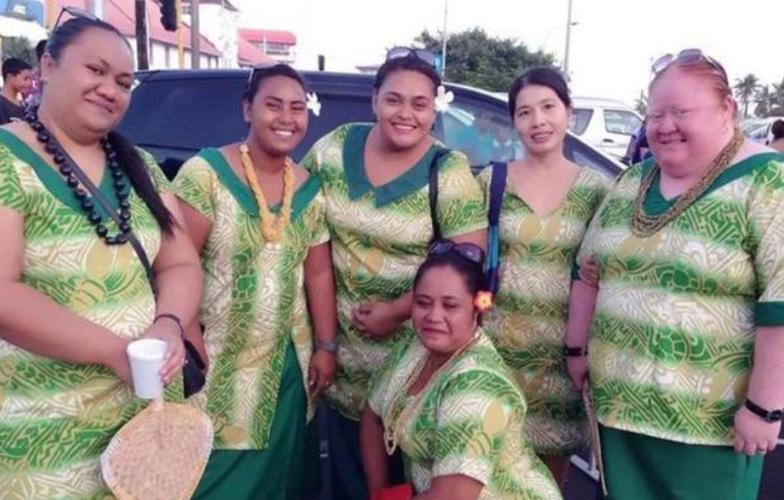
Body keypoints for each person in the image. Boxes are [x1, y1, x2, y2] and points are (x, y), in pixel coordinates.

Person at [567, 49, 784, 500]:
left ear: (727, 109)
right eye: (655, 115)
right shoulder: (632, 181)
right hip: (619, 414)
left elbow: (779, 306)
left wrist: (765, 408)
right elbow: (588, 272)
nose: (665, 126)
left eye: (681, 112)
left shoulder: (766, 184)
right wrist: (577, 348)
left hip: (711, 429)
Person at [0, 16, 202, 497]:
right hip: (45, 431)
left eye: (124, 82)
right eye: (95, 70)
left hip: (144, 424)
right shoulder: (8, 159)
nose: (110, 89)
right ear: (48, 66)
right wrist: (115, 353)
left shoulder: (138, 165)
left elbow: (180, 262)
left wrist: (169, 323)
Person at [301, 50, 487, 500]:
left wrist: (397, 311)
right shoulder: (334, 148)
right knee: (345, 473)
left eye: (420, 104)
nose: (406, 114)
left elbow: (469, 263)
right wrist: (326, 342)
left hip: (415, 354)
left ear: (434, 109)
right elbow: (306, 232)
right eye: (394, 100)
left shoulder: (447, 170)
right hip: (341, 352)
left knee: (403, 473)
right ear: (374, 100)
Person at [174, 63, 337, 499]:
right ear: (248, 109)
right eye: (273, 105)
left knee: (278, 479)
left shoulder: (308, 188)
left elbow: (318, 272)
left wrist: (326, 346)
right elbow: (174, 263)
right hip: (214, 358)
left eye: (297, 108)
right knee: (209, 476)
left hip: (285, 364)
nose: (287, 118)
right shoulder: (206, 174)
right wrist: (188, 338)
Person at [476, 66, 612, 486]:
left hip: (562, 361)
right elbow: (471, 262)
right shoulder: (492, 182)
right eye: (525, 112)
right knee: (488, 472)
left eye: (549, 107)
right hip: (497, 352)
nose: (538, 121)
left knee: (547, 483)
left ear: (568, 112)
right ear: (513, 121)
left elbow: (604, 271)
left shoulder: (597, 189)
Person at [361, 240, 562, 500]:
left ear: (476, 308)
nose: (433, 316)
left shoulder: (476, 387)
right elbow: (373, 415)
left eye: (450, 305)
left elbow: (451, 497)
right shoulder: (416, 347)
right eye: (423, 303)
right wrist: (378, 493)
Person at [0, 57, 33, 124]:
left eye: (30, 79)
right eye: (25, 79)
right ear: (10, 77)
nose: (29, 83)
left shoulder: (23, 104)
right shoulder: (2, 105)